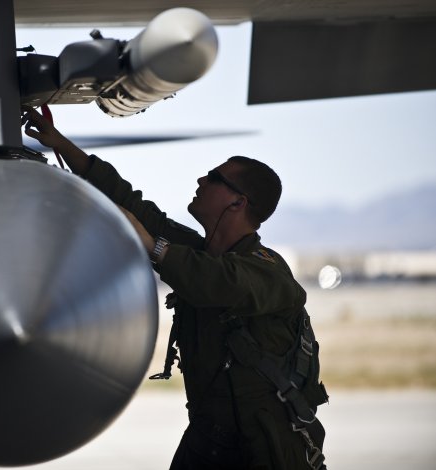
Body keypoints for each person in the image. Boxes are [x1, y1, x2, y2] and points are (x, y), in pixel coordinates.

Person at [22, 108, 327, 470]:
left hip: (266, 448)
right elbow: (132, 206)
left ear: (238, 201)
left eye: (214, 178)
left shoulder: (267, 270)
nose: (201, 179)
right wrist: (61, 145)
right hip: (211, 439)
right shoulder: (201, 253)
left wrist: (154, 246)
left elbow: (219, 281)